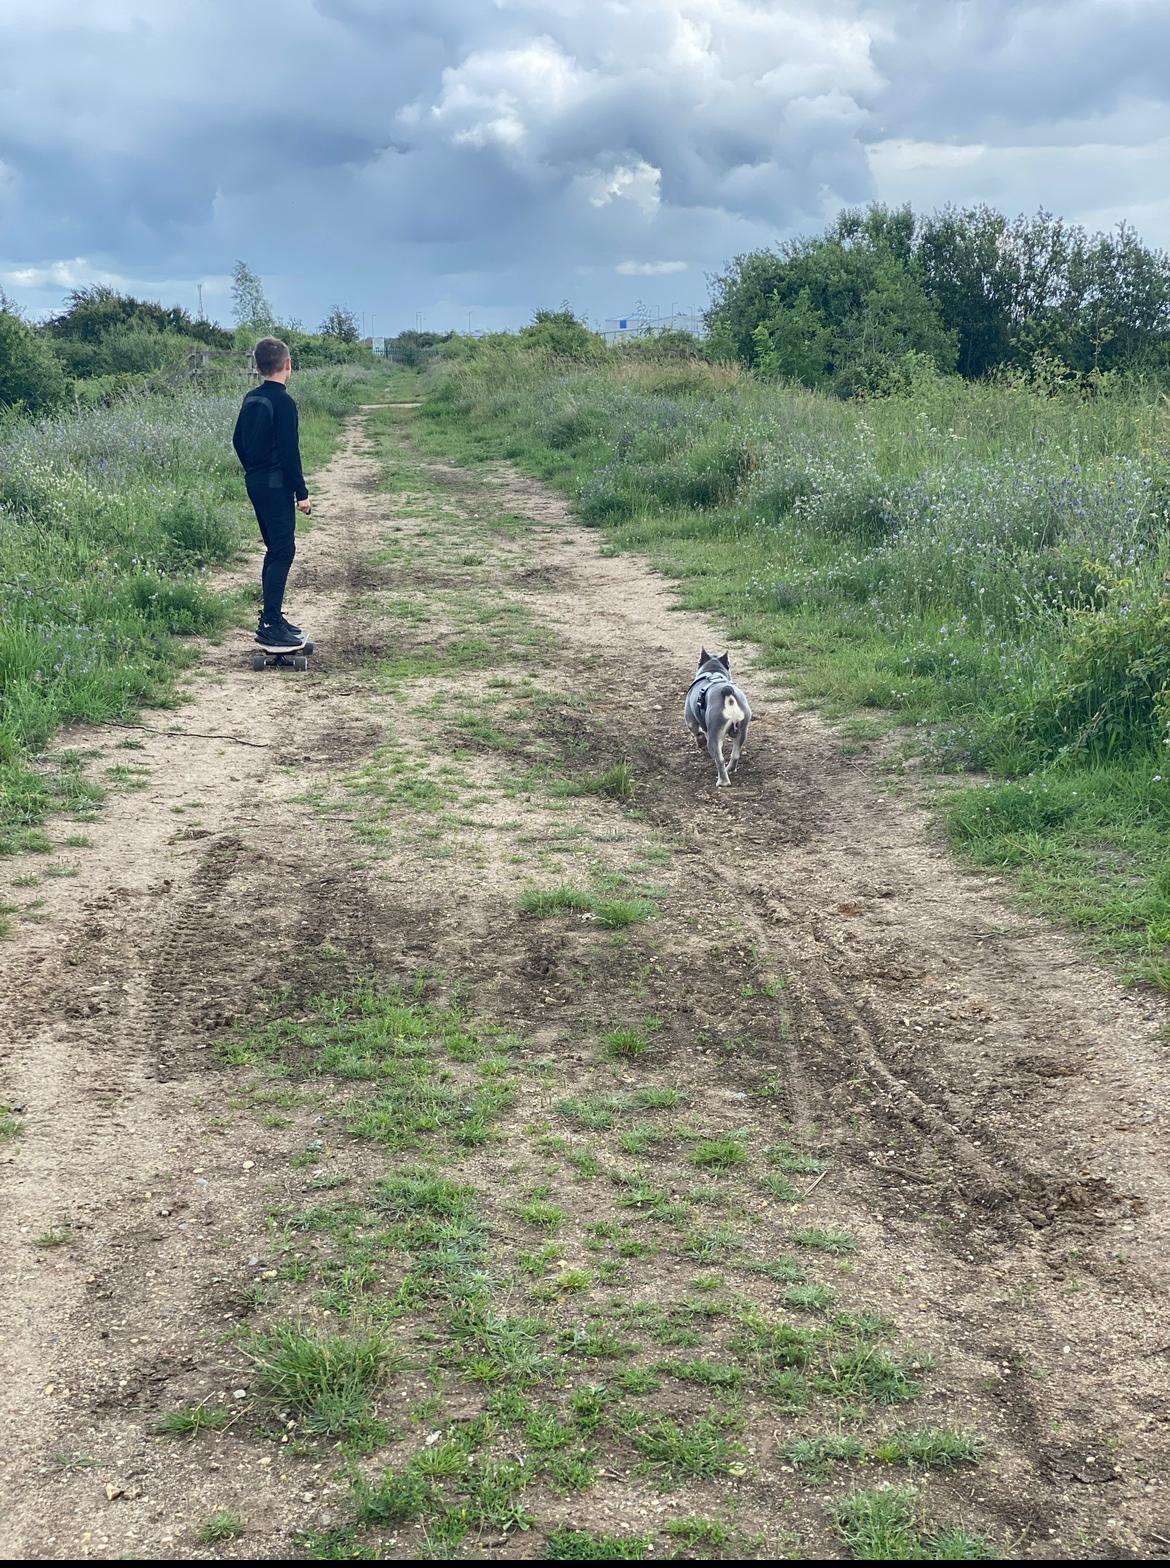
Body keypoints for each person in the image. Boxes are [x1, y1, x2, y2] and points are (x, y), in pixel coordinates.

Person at [232, 337, 312, 650]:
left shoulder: (251, 398)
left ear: (258, 366)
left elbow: (238, 440)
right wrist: (301, 493)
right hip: (276, 484)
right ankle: (270, 623)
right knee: (283, 550)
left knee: (274, 549)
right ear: (288, 366)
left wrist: (253, 467)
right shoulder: (284, 402)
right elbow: (291, 453)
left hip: (255, 481)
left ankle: (272, 619)